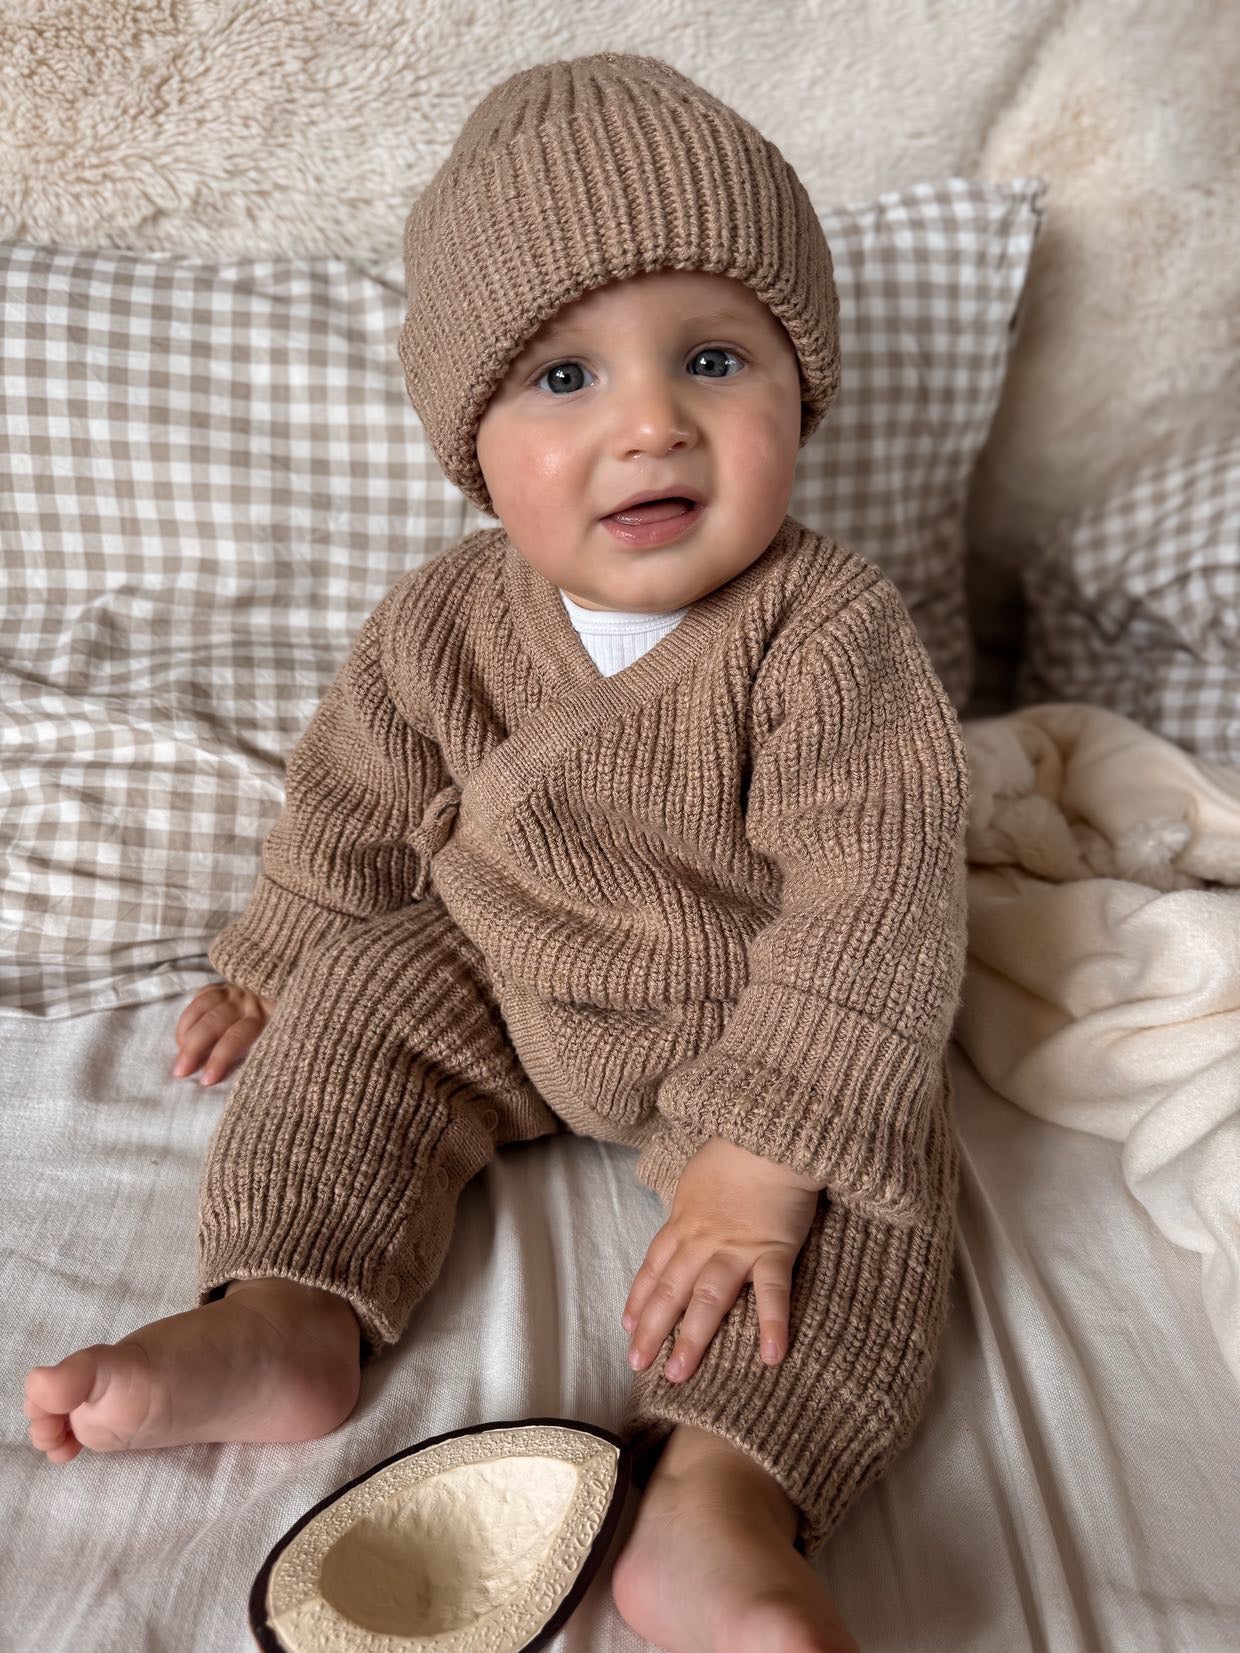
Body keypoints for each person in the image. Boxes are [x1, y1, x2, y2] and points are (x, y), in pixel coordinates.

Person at [24, 52, 970, 1653]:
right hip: (508, 963)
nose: (651, 422)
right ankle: (288, 1305)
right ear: (470, 441)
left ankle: (723, 1491)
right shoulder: (448, 618)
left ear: (801, 394)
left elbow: (879, 899)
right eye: (563, 377)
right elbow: (356, 797)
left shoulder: (830, 632)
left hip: (747, 1007)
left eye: (714, 357)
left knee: (868, 1181)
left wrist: (762, 1155)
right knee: (364, 1005)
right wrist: (283, 951)